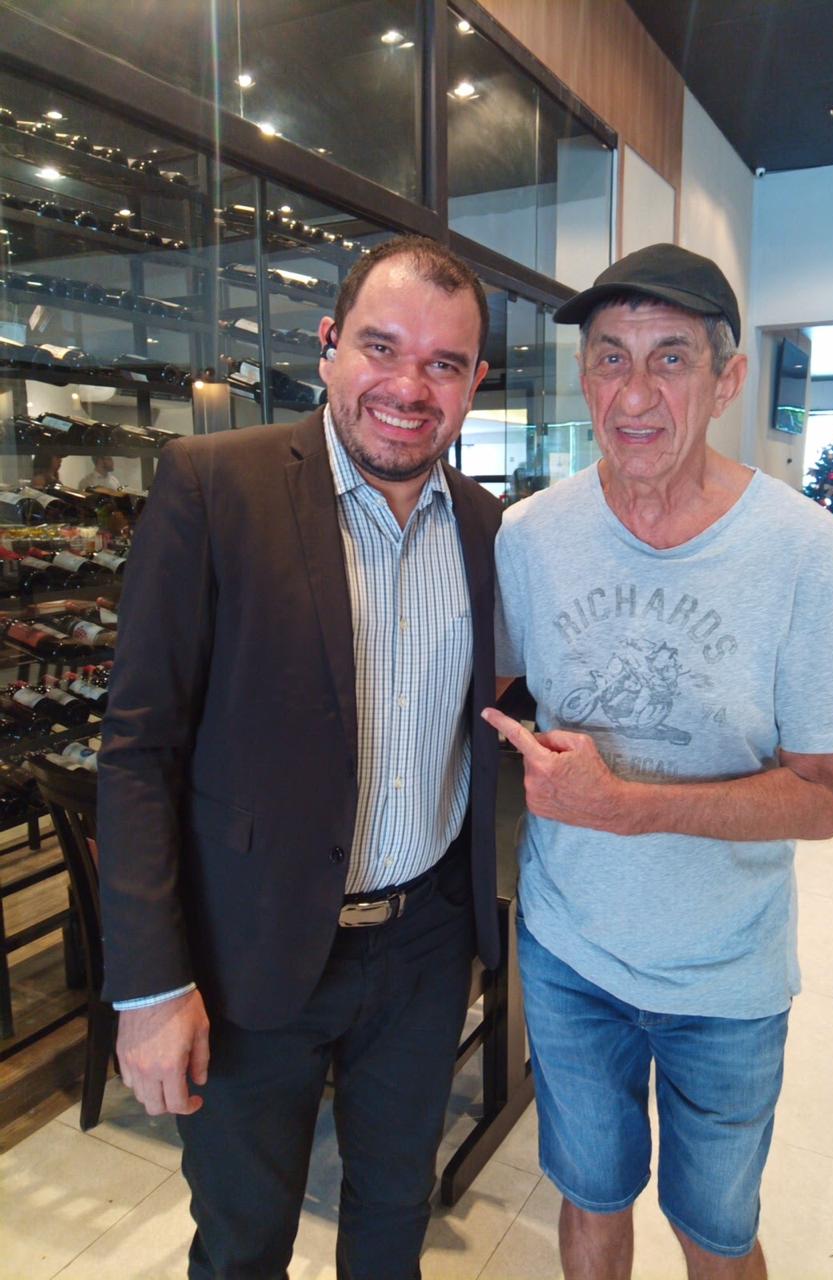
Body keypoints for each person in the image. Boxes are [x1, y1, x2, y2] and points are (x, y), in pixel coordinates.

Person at [98, 235, 503, 1280]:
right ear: (328, 346)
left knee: (393, 1218)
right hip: (249, 948)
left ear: (474, 383)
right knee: (243, 1243)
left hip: (425, 949)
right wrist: (149, 984)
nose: (409, 387)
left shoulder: (488, 527)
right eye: (381, 346)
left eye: (444, 363)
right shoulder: (213, 485)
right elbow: (138, 748)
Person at [484, 243, 833, 1280]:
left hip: (727, 974)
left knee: (716, 1231)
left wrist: (626, 804)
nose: (636, 393)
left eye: (670, 358)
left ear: (727, 378)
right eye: (611, 358)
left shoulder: (805, 553)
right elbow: (485, 690)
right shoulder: (530, 536)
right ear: (585, 377)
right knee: (590, 1197)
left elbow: (826, 798)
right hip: (569, 954)